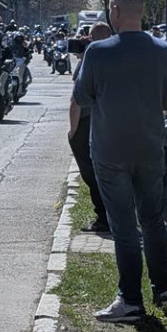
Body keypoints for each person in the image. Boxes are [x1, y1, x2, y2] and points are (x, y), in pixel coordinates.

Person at [74, 0, 167, 322]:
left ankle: (130, 300)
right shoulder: (164, 51)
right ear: (142, 12)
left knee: (124, 226)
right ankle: (164, 287)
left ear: (114, 12)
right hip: (150, 147)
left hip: (109, 149)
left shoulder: (98, 52)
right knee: (153, 220)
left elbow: (84, 97)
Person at [69, 22, 111, 233]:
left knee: (91, 172)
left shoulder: (90, 57)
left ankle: (103, 219)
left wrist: (73, 131)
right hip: (113, 121)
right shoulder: (117, 55)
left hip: (88, 122)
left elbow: (76, 100)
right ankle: (114, 217)